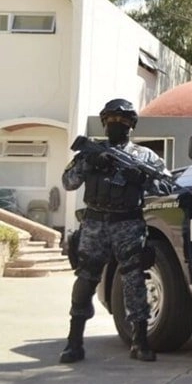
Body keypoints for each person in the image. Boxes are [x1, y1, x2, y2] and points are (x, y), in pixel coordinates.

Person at [59, 99, 172, 364]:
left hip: (128, 225)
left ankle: (140, 341)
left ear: (131, 125)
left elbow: (167, 187)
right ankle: (74, 343)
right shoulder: (90, 152)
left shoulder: (144, 157)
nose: (115, 125)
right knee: (85, 279)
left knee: (134, 282)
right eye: (110, 120)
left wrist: (142, 180)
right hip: (95, 224)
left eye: (121, 121)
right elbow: (68, 182)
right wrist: (90, 162)